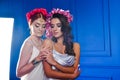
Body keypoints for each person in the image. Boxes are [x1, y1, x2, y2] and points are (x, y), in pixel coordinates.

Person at [42, 8, 80, 80]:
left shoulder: (76, 46)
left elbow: (74, 69)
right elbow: (48, 73)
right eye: (52, 26)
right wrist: (72, 76)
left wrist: (55, 63)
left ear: (65, 26)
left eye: (58, 25)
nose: (55, 29)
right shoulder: (48, 43)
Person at [16, 8, 48, 80]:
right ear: (30, 24)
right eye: (37, 25)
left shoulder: (44, 42)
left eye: (43, 26)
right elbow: (19, 73)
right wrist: (38, 59)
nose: (41, 29)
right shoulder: (28, 43)